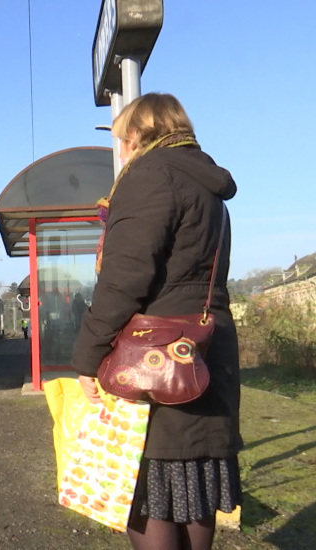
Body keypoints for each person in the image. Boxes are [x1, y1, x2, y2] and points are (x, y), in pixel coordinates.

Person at [70, 93, 242, 550]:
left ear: (138, 137)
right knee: (193, 489)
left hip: (155, 356)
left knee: (146, 493)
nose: (120, 151)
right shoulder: (208, 188)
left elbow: (124, 279)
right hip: (206, 349)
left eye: (122, 140)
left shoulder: (150, 177)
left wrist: (87, 356)